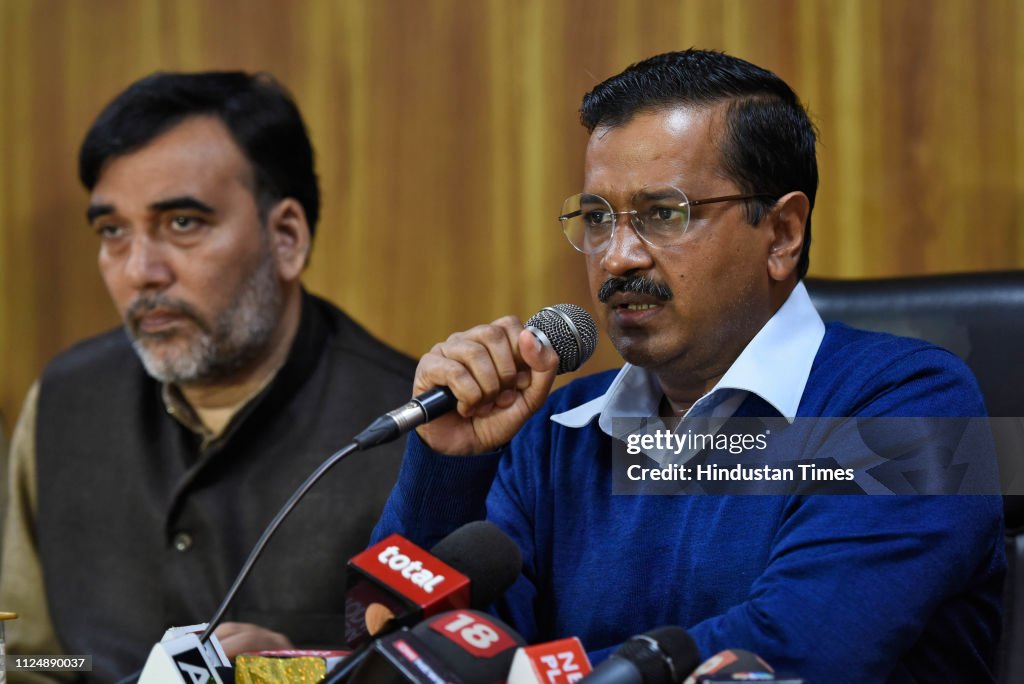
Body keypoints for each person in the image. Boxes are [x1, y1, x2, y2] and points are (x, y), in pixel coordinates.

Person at [372, 50, 1006, 682]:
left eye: (663, 215)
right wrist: (448, 466)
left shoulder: (916, 404)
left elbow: (787, 654)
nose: (617, 257)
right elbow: (399, 648)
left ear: (782, 232)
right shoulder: (556, 428)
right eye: (597, 218)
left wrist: (514, 677)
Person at [0, 71, 416, 682]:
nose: (141, 270)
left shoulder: (413, 429)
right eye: (113, 231)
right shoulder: (66, 399)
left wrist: (310, 670)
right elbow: (28, 659)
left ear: (287, 238)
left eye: (182, 223)